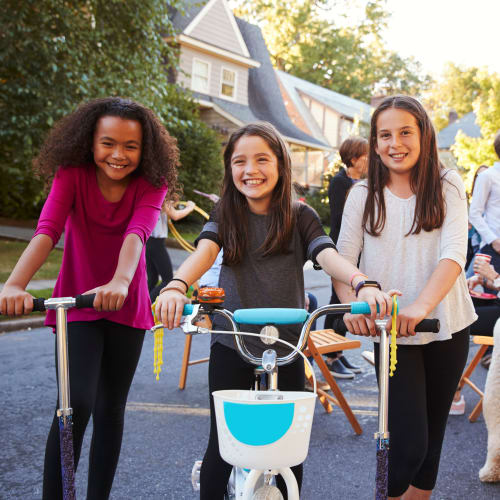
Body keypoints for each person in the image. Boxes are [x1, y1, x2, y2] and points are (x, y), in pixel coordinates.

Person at [154, 122, 392, 499]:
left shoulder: (299, 215)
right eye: (239, 161)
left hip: (288, 347)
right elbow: (205, 252)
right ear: (229, 169)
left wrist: (362, 281)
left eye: (262, 159)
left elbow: (327, 254)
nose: (250, 170)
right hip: (233, 341)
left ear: (281, 164)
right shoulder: (225, 212)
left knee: (289, 452)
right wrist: (175, 285)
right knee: (222, 445)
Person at [0, 97, 179, 499]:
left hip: (123, 303)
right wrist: (14, 284)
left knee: (110, 408)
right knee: (74, 403)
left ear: (145, 150)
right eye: (108, 143)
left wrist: (119, 281)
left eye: (130, 147)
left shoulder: (151, 183)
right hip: (76, 303)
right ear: (90, 142)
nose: (118, 155)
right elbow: (48, 228)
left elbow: (138, 232)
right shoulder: (73, 174)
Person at [332, 96, 477, 500]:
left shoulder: (447, 184)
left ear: (423, 135)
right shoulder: (362, 194)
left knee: (430, 445)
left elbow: (453, 253)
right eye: (385, 135)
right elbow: (343, 260)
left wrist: (419, 307)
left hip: (446, 324)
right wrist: (352, 306)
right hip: (392, 334)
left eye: (405, 132)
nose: (395, 143)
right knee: (406, 445)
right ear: (374, 144)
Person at [324, 136, 368, 378]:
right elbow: (343, 219)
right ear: (353, 159)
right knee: (338, 304)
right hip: (341, 249)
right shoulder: (339, 183)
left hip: (361, 249)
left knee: (350, 302)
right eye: (366, 156)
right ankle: (330, 356)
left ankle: (338, 352)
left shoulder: (367, 182)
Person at [146, 198, 195, 302]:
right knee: (167, 280)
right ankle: (145, 307)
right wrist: (190, 208)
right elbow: (175, 215)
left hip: (148, 241)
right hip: (155, 242)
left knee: (152, 279)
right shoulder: (161, 193)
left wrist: (171, 204)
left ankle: (140, 308)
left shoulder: (151, 192)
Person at [469, 135, 500, 289]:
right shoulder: (487, 176)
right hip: (493, 248)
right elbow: (474, 213)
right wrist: (494, 241)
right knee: (492, 301)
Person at [465, 164, 489, 275]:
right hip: (471, 247)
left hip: (484, 248)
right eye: (478, 176)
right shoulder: (473, 201)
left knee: (469, 280)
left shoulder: (493, 203)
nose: (482, 179)